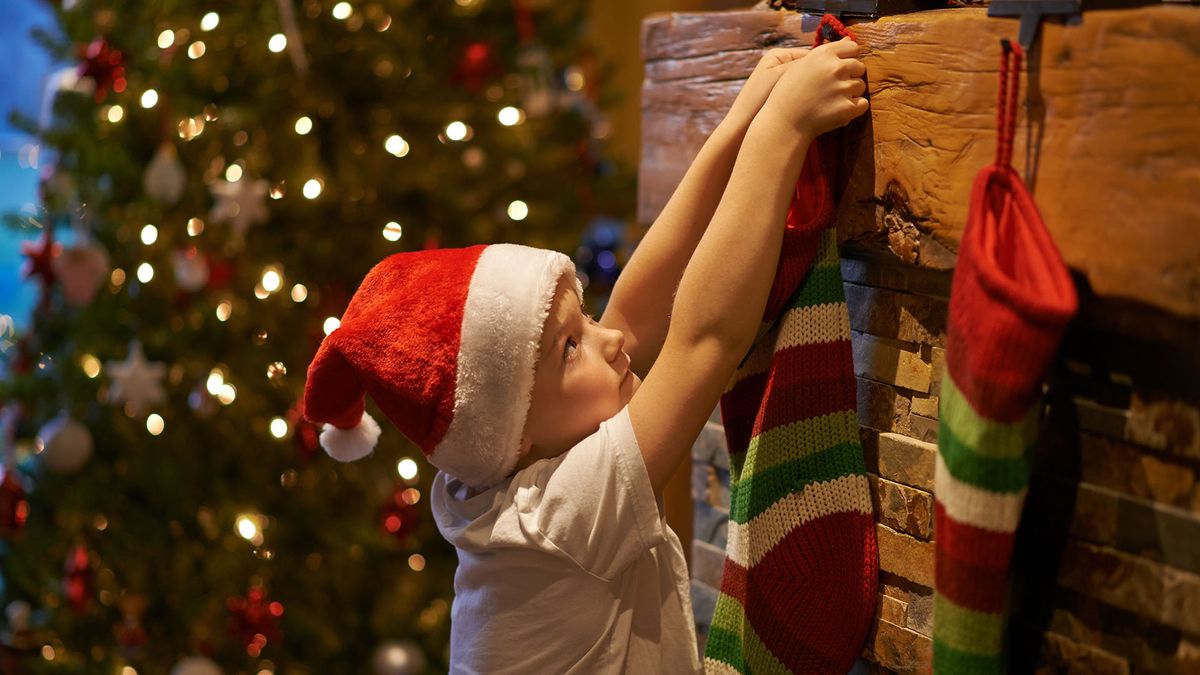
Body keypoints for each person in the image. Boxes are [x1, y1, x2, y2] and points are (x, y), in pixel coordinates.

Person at [302, 36, 867, 673]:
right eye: (572, 347)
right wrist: (783, 132)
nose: (611, 340)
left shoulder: (494, 471)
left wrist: (741, 123)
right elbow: (704, 343)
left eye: (585, 320)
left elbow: (634, 314)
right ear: (513, 433)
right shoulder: (554, 525)